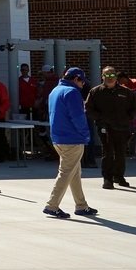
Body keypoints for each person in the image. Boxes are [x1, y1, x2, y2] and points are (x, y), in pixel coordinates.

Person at [44, 67, 97, 219]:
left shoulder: (55, 90)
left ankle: (81, 205)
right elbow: (78, 117)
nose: (83, 85)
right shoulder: (72, 93)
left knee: (74, 172)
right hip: (72, 138)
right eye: (82, 81)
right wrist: (86, 135)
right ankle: (52, 205)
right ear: (76, 79)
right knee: (66, 172)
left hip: (58, 137)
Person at [85, 67, 136, 190]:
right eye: (107, 75)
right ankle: (107, 179)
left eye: (112, 75)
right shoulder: (96, 92)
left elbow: (135, 108)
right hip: (105, 128)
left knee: (121, 153)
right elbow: (89, 108)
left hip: (122, 127)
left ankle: (119, 176)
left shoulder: (126, 92)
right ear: (102, 76)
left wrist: (129, 118)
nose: (110, 78)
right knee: (107, 153)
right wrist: (100, 119)